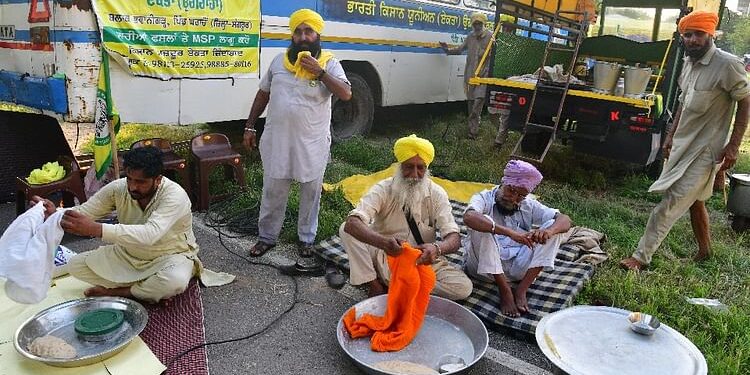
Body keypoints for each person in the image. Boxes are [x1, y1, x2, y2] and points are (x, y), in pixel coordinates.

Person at [620, 11, 749, 271]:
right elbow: (682, 102)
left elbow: (746, 102)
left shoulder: (728, 65)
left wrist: (733, 146)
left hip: (705, 152)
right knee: (696, 200)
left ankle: (640, 258)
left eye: (698, 34)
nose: (692, 40)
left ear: (711, 34)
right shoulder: (689, 61)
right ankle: (705, 250)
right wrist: (669, 135)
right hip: (681, 145)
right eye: (687, 35)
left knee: (669, 204)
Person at [32, 147, 222, 303]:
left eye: (140, 182)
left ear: (158, 179)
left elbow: (150, 234)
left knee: (175, 281)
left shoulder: (174, 196)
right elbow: (85, 212)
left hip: (169, 256)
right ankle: (147, 290)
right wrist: (55, 214)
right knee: (75, 265)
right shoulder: (119, 188)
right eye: (130, 178)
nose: (132, 187)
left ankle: (121, 292)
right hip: (128, 255)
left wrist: (97, 229)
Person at [242, 9, 352, 258]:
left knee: (311, 192)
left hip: (312, 141)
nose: (303, 37)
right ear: (292, 36)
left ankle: (306, 239)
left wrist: (320, 73)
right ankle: (267, 237)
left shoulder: (330, 63)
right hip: (278, 139)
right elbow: (263, 94)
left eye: (308, 31)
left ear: (317, 34)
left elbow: (346, 93)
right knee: (273, 189)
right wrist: (249, 125)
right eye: (298, 32)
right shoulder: (279, 61)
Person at [340, 134, 473, 300]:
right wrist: (384, 243)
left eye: (420, 168)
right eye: (409, 167)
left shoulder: (437, 194)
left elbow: (454, 238)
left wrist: (437, 249)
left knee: (463, 288)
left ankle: (403, 284)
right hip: (385, 255)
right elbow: (353, 223)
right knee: (345, 229)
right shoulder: (383, 189)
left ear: (427, 169)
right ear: (399, 166)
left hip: (420, 259)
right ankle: (375, 284)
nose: (414, 174)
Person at [462, 160, 572, 317]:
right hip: (482, 269)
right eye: (511, 191)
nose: (514, 199)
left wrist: (548, 231)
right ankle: (505, 290)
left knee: (555, 228)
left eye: (521, 195)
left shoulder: (528, 204)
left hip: (518, 269)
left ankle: (521, 290)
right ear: (504, 182)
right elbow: (469, 217)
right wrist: (510, 233)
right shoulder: (484, 198)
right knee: (482, 223)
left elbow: (565, 220)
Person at [440, 12, 502, 142]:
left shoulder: (491, 37)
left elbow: (497, 56)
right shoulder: (470, 36)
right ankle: (471, 131)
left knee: (476, 106)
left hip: (483, 78)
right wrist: (447, 50)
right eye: (475, 24)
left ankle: (474, 132)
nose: (477, 26)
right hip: (470, 78)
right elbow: (460, 49)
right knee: (471, 105)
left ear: (483, 24)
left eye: (479, 23)